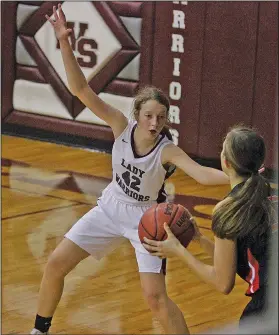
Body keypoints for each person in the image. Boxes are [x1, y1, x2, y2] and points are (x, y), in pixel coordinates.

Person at [30, 4, 230, 334]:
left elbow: (201, 174)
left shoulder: (166, 149)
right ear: (137, 113)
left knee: (155, 298)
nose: (154, 122)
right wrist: (65, 41)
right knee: (55, 264)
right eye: (149, 115)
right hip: (109, 208)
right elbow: (81, 90)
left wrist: (239, 177)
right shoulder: (120, 125)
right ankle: (39, 330)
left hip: (146, 219)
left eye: (161, 117)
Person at [143, 125, 278, 327]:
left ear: (226, 163)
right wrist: (199, 239)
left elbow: (223, 283)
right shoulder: (271, 194)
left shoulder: (228, 209)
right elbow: (235, 258)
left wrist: (178, 250)